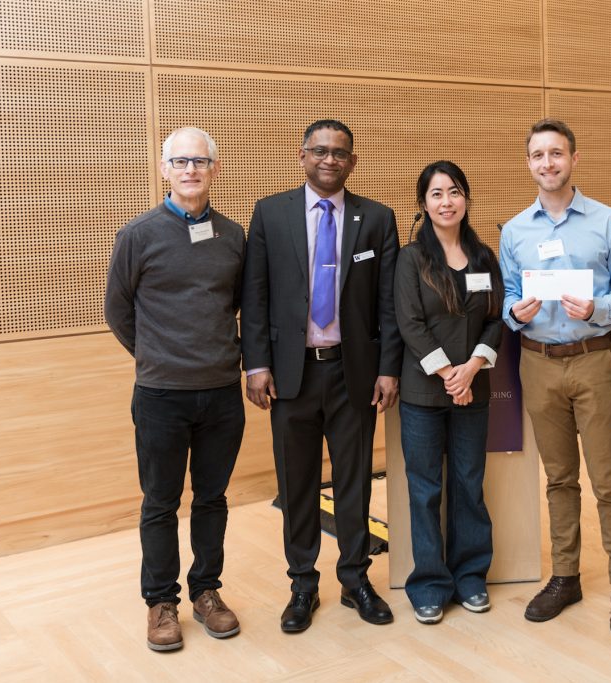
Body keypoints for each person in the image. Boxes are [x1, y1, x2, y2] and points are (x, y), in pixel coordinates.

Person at [241, 119, 402, 632]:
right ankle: (303, 585)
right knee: (298, 482)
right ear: (302, 156)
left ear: (352, 162)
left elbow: (388, 304)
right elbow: (255, 294)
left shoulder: (376, 219)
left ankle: (356, 578)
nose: (329, 159)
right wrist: (257, 363)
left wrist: (387, 369)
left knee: (353, 480)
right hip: (291, 376)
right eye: (319, 151)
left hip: (352, 373)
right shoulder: (271, 213)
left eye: (339, 153)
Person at [499, 118, 611, 636]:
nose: (547, 163)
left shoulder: (606, 221)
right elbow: (507, 299)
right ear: (529, 164)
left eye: (556, 154)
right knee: (559, 479)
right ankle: (566, 576)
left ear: (573, 159)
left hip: (593, 360)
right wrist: (516, 313)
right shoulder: (514, 230)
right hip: (537, 363)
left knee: (608, 480)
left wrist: (600, 306)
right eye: (538, 155)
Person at [105, 127, 245, 651]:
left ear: (213, 169)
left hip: (221, 394)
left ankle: (206, 591)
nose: (190, 170)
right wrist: (155, 356)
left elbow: (243, 308)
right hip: (161, 394)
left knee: (212, 498)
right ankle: (161, 602)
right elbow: (117, 310)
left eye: (200, 161)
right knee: (160, 502)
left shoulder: (233, 237)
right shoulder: (138, 235)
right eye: (180, 161)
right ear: (164, 170)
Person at [394, 161, 504, 625]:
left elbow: (497, 318)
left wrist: (473, 367)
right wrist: (448, 375)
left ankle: (471, 576)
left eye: (454, 192)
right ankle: (430, 584)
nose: (446, 201)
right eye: (436, 194)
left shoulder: (483, 257)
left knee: (468, 484)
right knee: (425, 489)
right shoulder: (411, 258)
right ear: (424, 204)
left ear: (466, 199)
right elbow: (410, 323)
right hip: (424, 394)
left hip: (473, 390)